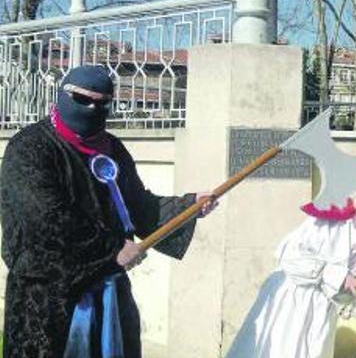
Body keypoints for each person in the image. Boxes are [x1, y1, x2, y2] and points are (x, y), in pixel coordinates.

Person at [0, 65, 216, 358]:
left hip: (108, 294)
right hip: (47, 298)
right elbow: (44, 218)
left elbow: (137, 205)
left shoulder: (112, 149)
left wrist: (187, 206)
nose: (92, 108)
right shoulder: (29, 147)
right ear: (62, 96)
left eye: (103, 103)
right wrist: (112, 248)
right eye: (83, 100)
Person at [226, 180, 356, 358]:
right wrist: (337, 275)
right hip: (289, 297)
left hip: (320, 311)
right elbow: (289, 254)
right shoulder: (329, 217)